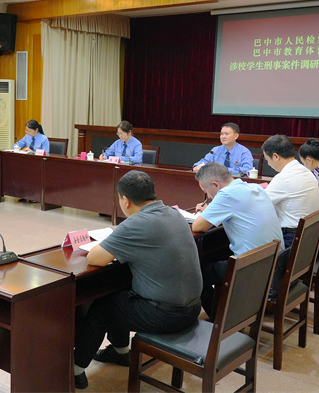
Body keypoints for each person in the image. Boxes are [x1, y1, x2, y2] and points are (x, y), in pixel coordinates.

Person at [73, 171, 202, 390]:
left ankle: (75, 369)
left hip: (166, 316)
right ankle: (121, 352)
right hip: (192, 308)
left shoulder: (137, 223)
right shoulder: (173, 213)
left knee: (102, 307)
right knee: (119, 296)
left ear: (125, 200)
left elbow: (95, 258)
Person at [192, 162, 283, 317]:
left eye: (206, 191)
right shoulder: (253, 188)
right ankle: (225, 310)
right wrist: (213, 209)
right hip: (272, 260)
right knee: (213, 255)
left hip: (251, 266)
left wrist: (210, 209)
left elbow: (197, 226)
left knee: (195, 275)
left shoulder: (227, 195)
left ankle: (220, 319)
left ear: (215, 184)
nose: (208, 197)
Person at [262, 134, 319, 249]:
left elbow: (260, 204)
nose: (268, 164)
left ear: (276, 156)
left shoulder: (283, 178)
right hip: (310, 238)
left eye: (267, 159)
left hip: (291, 241)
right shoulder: (307, 172)